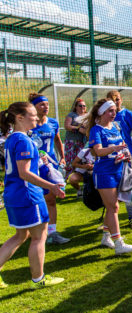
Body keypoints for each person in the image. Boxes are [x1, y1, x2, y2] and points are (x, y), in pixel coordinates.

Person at [0, 101, 65, 288]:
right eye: (32, 114)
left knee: (21, 236)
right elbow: (24, 173)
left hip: (14, 194)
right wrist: (51, 186)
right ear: (20, 118)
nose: (36, 117)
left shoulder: (12, 138)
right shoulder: (23, 140)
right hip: (28, 195)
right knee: (39, 237)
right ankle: (39, 279)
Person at [86, 98, 132, 255]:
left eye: (114, 110)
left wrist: (125, 154)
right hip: (104, 173)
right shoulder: (97, 130)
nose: (113, 113)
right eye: (110, 111)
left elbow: (122, 145)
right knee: (113, 207)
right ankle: (118, 244)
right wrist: (114, 148)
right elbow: (98, 151)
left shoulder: (115, 126)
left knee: (113, 206)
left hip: (118, 170)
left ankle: (106, 237)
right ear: (101, 113)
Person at [29, 93, 69, 244]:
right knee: (35, 199)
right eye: (41, 105)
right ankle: (33, 231)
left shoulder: (53, 122)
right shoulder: (29, 125)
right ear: (33, 107)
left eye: (47, 104)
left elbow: (58, 140)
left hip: (49, 166)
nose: (46, 107)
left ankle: (52, 233)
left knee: (51, 199)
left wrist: (62, 157)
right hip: (33, 167)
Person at [107, 90, 132, 229]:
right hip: (111, 158)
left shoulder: (127, 114)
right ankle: (107, 222)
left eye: (117, 99)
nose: (115, 102)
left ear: (121, 100)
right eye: (112, 100)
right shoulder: (105, 117)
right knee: (109, 189)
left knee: (129, 187)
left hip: (128, 156)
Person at [64, 98, 87, 183]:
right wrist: (78, 128)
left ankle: (79, 180)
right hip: (71, 141)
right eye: (80, 106)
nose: (82, 107)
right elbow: (67, 126)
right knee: (70, 160)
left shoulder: (87, 116)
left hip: (82, 142)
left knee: (81, 161)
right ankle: (66, 179)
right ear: (76, 107)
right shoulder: (72, 115)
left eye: (84, 106)